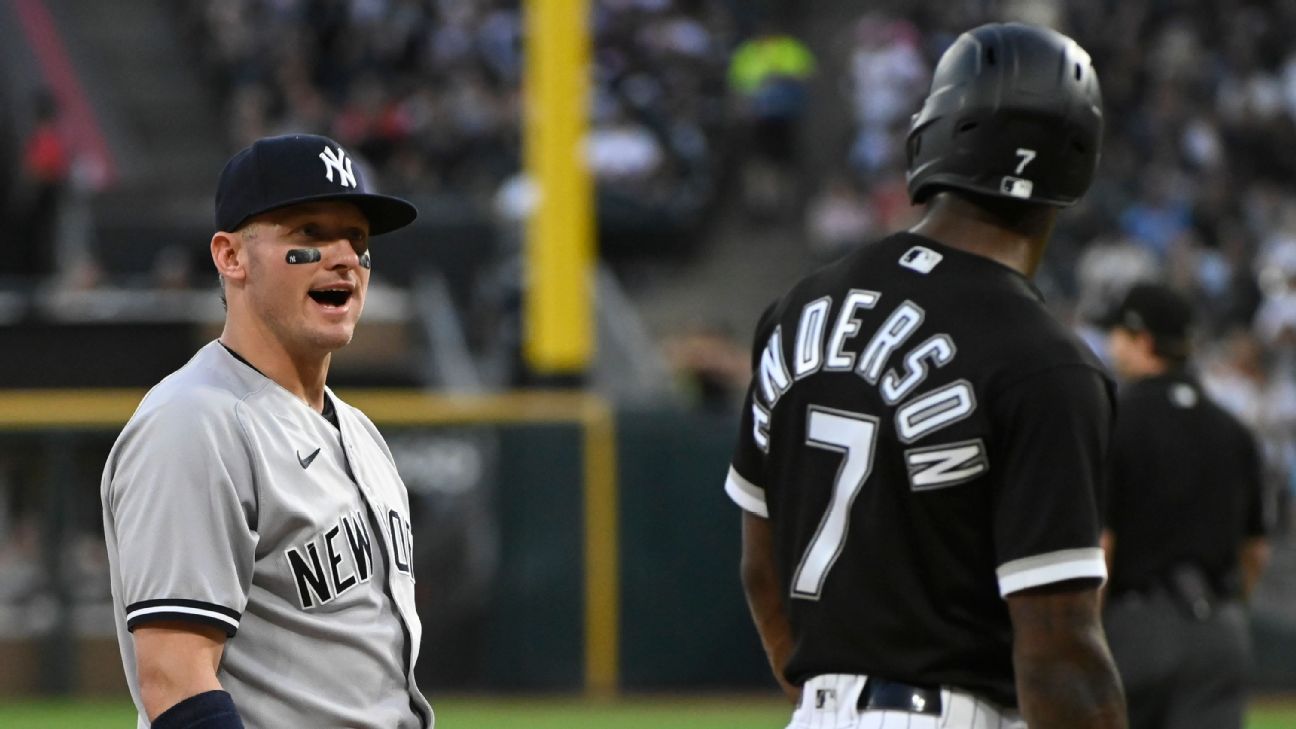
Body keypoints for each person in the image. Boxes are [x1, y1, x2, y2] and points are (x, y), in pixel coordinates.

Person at [724, 23, 1127, 729]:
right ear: (1078, 161)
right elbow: (1058, 645)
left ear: (933, 132)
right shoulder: (1044, 361)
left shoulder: (798, 308)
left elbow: (762, 571)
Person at [101, 134, 432, 729]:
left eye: (356, 240)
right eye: (308, 233)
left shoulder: (357, 431)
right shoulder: (195, 421)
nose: (344, 258)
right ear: (231, 257)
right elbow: (176, 680)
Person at [1101, 282, 1271, 729]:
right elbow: (1256, 551)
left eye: (1117, 333)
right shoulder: (1234, 431)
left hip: (1134, 626)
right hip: (1218, 629)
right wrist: (1229, 612)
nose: (1110, 343)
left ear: (1144, 340)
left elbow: (1103, 544)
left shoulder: (1114, 421)